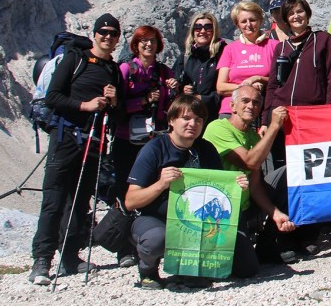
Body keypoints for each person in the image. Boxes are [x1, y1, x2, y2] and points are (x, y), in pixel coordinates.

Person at [125, 95, 256, 289]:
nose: (192, 124)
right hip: (156, 218)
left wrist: (236, 185)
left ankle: (188, 269)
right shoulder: (154, 149)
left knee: (248, 268)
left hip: (197, 220)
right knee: (156, 240)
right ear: (171, 121)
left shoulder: (206, 149)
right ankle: (147, 270)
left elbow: (219, 192)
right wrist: (160, 184)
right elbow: (130, 201)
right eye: (186, 118)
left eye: (198, 120)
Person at [29, 14, 121, 285]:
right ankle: (42, 261)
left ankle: (70, 257)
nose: (107, 37)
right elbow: (53, 97)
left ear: (117, 39)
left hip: (93, 142)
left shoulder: (114, 70)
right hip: (66, 138)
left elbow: (117, 114)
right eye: (103, 32)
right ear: (95, 34)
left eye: (113, 33)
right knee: (54, 199)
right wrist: (85, 106)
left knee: (81, 203)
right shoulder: (75, 59)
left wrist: (114, 102)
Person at [203, 86, 307, 263]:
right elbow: (249, 162)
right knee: (246, 268)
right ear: (233, 106)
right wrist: (274, 126)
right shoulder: (217, 128)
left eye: (256, 102)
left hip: (244, 203)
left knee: (292, 172)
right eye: (245, 101)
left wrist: (275, 214)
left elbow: (255, 184)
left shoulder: (253, 136)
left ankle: (269, 243)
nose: (251, 106)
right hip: (220, 210)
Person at [112, 25, 177, 267]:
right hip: (126, 139)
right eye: (144, 41)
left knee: (154, 189)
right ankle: (124, 248)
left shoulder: (164, 71)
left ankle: (150, 240)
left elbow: (171, 108)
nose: (148, 45)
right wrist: (143, 100)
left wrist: (174, 92)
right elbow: (117, 107)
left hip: (154, 139)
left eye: (153, 41)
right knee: (124, 190)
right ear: (136, 45)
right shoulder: (126, 69)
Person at [264, 0, 331, 171]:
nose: (296, 16)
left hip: (312, 113)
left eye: (300, 11)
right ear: (286, 19)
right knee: (282, 166)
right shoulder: (281, 48)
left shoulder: (322, 40)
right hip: (281, 114)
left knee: (311, 165)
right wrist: (264, 119)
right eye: (291, 13)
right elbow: (273, 85)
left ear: (307, 14)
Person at [216, 1, 280, 119]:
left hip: (263, 110)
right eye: (243, 21)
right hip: (231, 111)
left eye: (253, 20)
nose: (248, 24)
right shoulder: (229, 49)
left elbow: (281, 80)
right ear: (237, 25)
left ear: (260, 21)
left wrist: (260, 79)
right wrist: (248, 87)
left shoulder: (275, 46)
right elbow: (220, 87)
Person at [172, 12, 227, 123]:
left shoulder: (224, 53)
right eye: (198, 27)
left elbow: (228, 83)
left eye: (208, 27)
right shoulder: (186, 56)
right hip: (190, 116)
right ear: (193, 31)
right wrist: (181, 89)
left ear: (214, 30)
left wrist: (204, 99)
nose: (202, 31)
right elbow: (177, 81)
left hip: (216, 116)